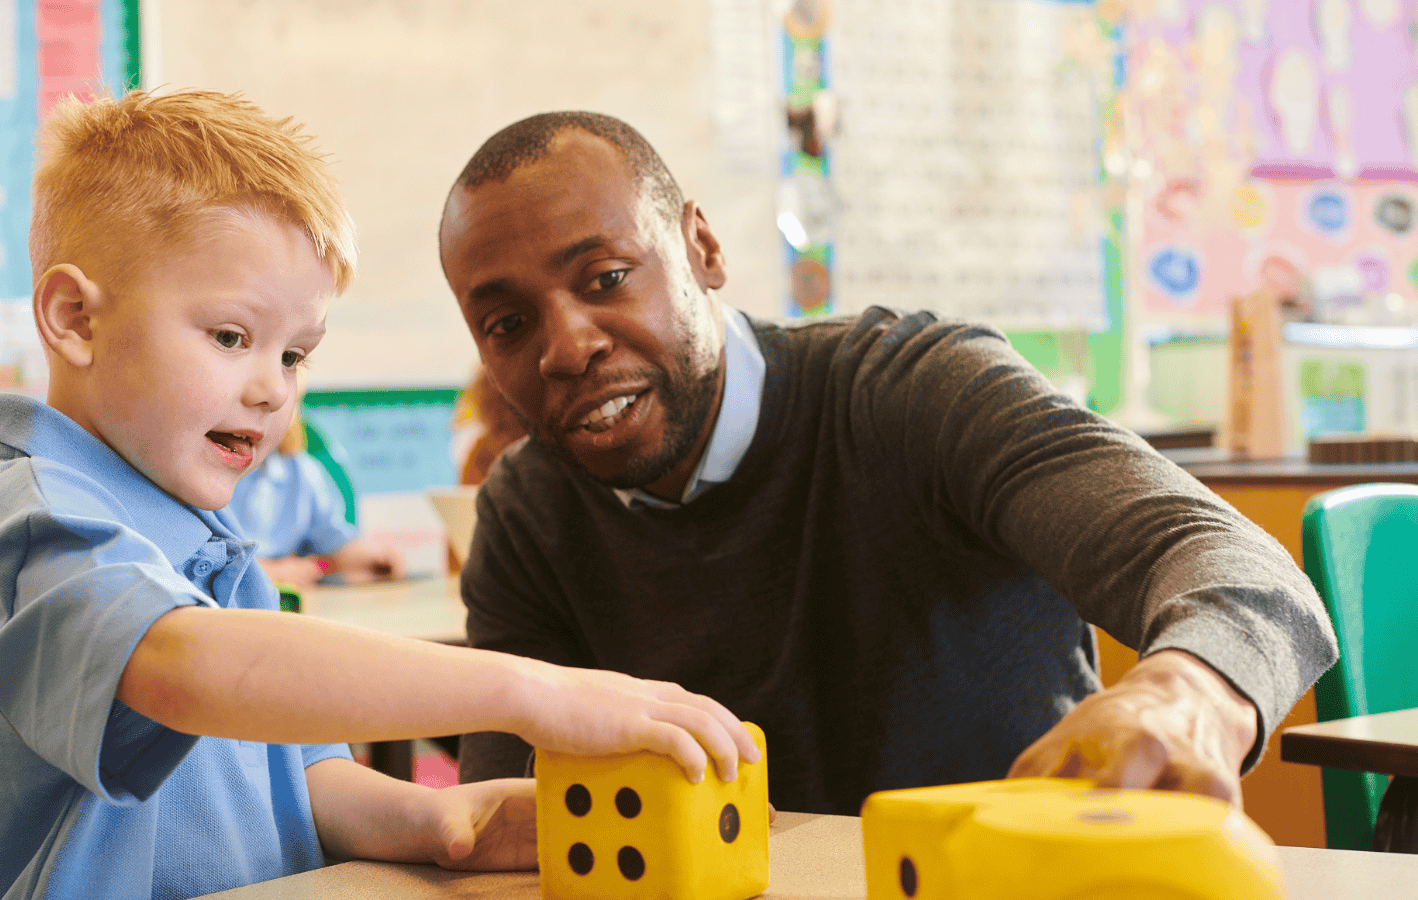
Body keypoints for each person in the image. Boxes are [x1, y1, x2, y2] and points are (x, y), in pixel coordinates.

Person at [0, 91, 760, 900]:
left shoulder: (207, 536)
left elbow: (306, 777)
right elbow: (179, 669)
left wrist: (439, 819)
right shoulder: (33, 517)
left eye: (295, 355)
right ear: (75, 317)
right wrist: (535, 691)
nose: (271, 390)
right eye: (231, 337)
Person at [435, 111, 1338, 815]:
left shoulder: (917, 391)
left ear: (702, 249)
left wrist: (1184, 693)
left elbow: (1246, 572)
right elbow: (509, 818)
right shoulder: (528, 513)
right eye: (508, 324)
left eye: (604, 279)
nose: (566, 347)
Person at [229, 410, 405, 587]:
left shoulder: (300, 469)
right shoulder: (214, 473)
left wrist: (372, 558)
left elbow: (332, 541)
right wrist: (268, 571)